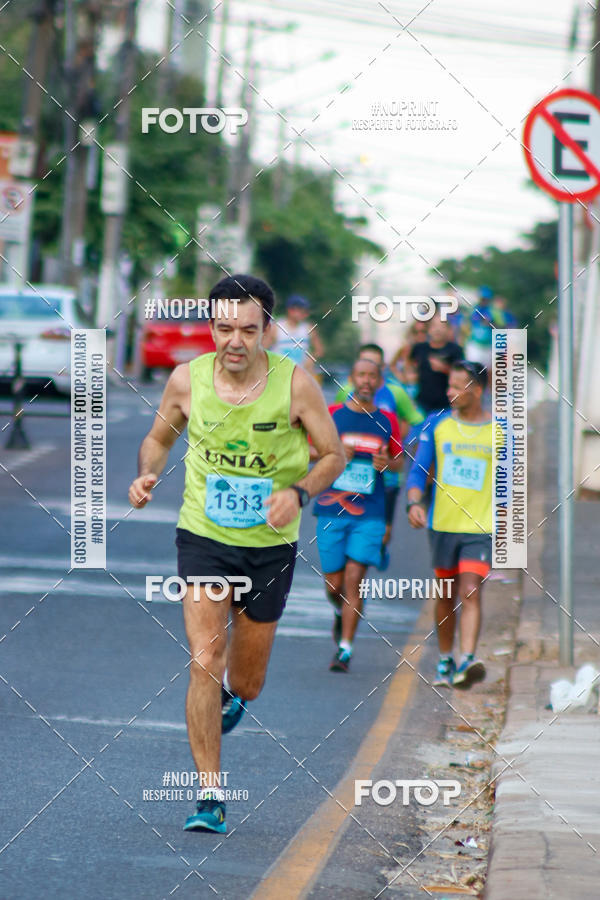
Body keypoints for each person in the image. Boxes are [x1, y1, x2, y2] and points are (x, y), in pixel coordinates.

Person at [128, 274, 345, 834]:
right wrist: (148, 472)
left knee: (246, 680)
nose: (235, 342)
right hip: (202, 537)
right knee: (205, 660)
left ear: (267, 331)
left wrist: (297, 492)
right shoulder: (186, 380)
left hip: (269, 548)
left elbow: (333, 454)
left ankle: (238, 698)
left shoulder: (295, 386)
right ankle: (209, 796)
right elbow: (158, 437)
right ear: (212, 328)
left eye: (248, 330)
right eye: (224, 329)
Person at [406, 361, 493, 689]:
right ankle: (446, 658)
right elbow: (417, 472)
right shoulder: (436, 425)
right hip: (442, 525)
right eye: (450, 385)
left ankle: (467, 660)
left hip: (479, 527)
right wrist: (414, 502)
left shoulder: (499, 431)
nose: (451, 392)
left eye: (459, 386)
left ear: (477, 390)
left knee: (470, 590)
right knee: (445, 594)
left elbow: (510, 483)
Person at [314, 357, 403, 672]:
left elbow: (398, 461)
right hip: (331, 507)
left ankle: (345, 649)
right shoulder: (333, 415)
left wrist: (386, 465)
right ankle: (340, 613)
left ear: (379, 382)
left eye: (372, 376)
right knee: (334, 585)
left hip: (370, 511)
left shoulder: (388, 420)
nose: (366, 381)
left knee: (355, 579)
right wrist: (335, 451)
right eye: (360, 375)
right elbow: (308, 451)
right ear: (351, 378)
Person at [335, 343, 423, 546]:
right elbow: (337, 422)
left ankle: (379, 547)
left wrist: (397, 440)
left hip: (387, 474)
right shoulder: (346, 391)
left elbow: (415, 420)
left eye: (374, 363)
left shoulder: (396, 392)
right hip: (352, 471)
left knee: (383, 532)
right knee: (348, 524)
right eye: (364, 362)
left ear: (382, 366)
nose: (368, 370)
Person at [410, 312, 463, 415]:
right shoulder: (420, 348)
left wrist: (444, 369)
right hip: (422, 403)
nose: (438, 329)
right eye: (434, 326)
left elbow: (462, 375)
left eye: (442, 326)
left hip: (446, 404)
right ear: (429, 329)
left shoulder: (455, 350)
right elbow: (409, 363)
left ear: (448, 329)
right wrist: (410, 376)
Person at [262, 293, 324, 377]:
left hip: (300, 375)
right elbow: (261, 350)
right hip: (278, 375)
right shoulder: (276, 328)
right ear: (290, 310)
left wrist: (311, 359)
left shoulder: (308, 328)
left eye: (305, 311)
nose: (305, 314)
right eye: (301, 310)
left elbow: (319, 350)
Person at [464, 285, 495, 370]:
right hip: (474, 344)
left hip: (489, 345)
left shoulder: (493, 311)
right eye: (482, 298)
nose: (484, 301)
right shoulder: (474, 309)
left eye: (486, 299)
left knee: (489, 371)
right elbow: (467, 324)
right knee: (473, 369)